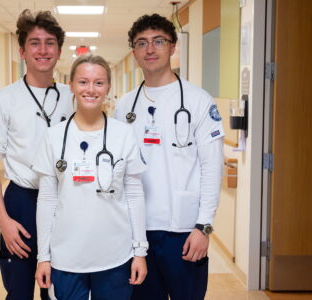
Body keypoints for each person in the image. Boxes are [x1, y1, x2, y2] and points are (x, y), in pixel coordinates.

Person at [115, 14, 224, 300]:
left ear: (173, 47)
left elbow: (212, 166)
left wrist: (204, 226)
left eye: (158, 41)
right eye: (142, 43)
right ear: (134, 52)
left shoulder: (198, 101)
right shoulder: (125, 106)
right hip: (136, 231)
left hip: (184, 230)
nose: (150, 49)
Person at [32, 54, 148, 300]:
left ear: (108, 87)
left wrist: (140, 251)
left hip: (116, 254)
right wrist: (44, 257)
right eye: (83, 82)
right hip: (66, 257)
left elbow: (135, 195)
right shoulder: (53, 137)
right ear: (71, 85)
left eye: (99, 82)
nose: (91, 89)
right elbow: (47, 200)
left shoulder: (123, 134)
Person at [0, 9, 73, 300]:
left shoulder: (74, 97)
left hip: (64, 200)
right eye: (34, 42)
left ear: (59, 51)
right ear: (22, 50)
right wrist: (2, 220)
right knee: (18, 290)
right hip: (21, 201)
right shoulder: (3, 99)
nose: (42, 50)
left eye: (49, 42)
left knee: (58, 290)